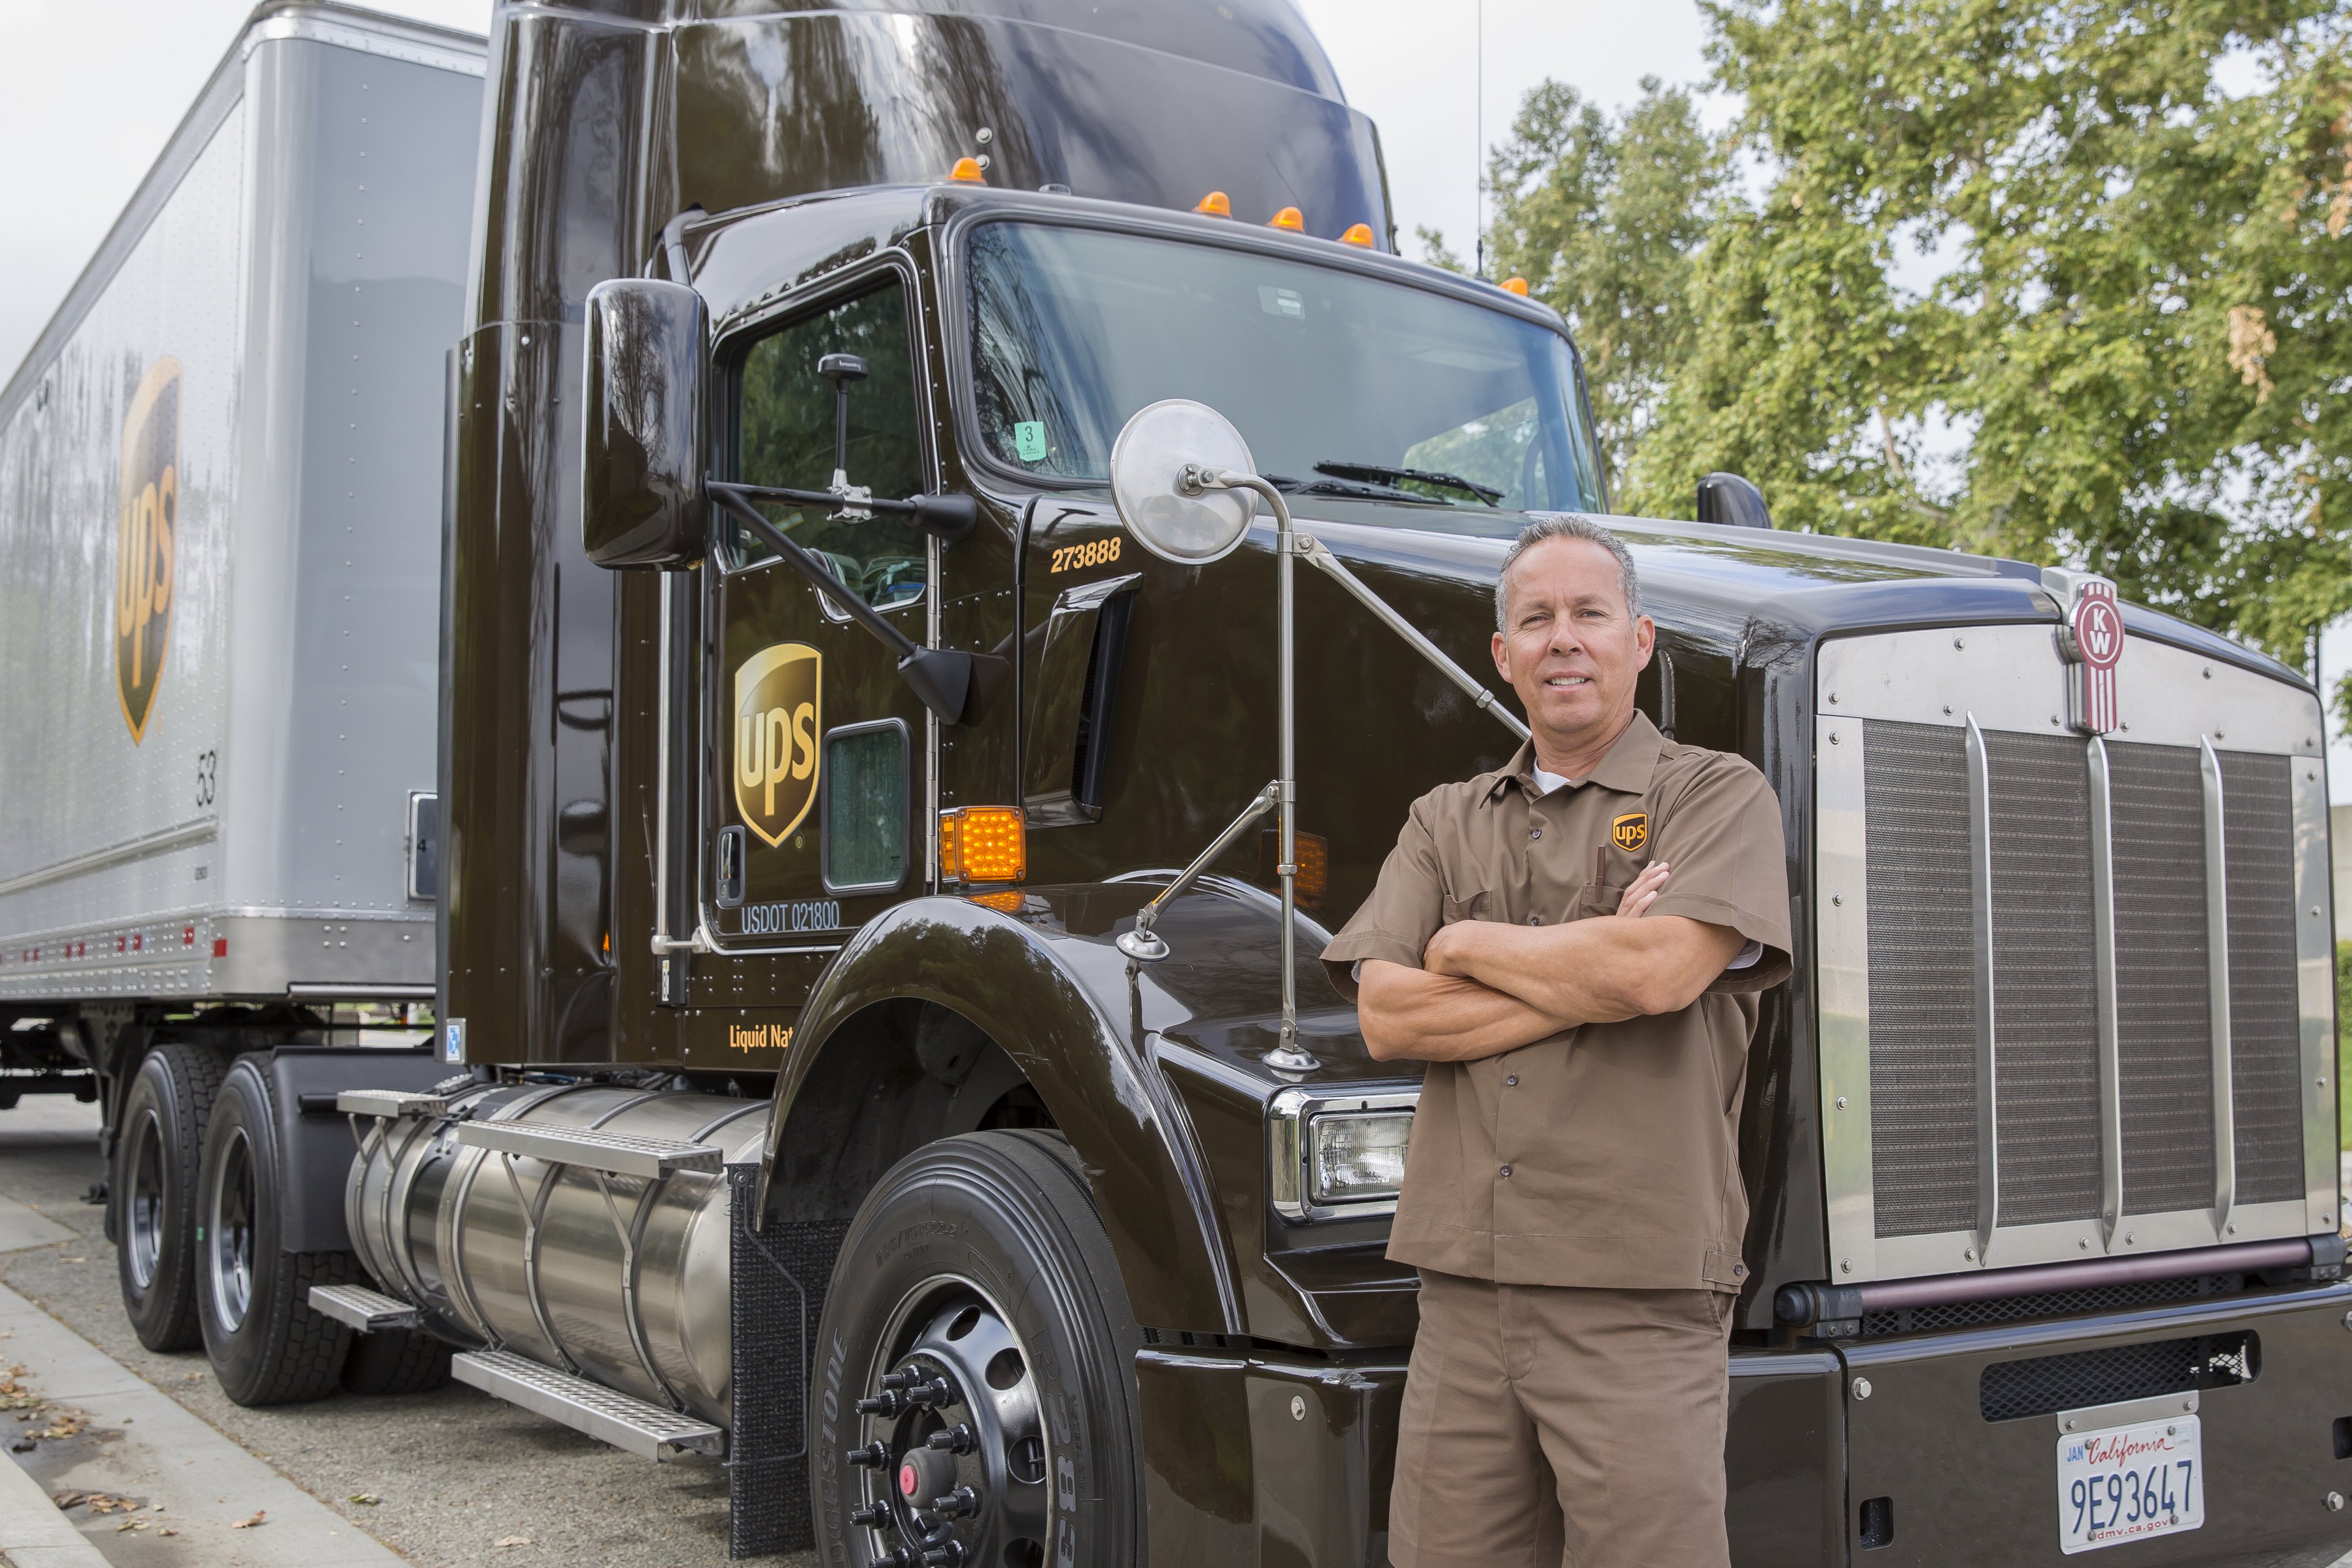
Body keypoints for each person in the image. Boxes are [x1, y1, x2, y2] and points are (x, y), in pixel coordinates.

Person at [1321, 514, 1791, 1568]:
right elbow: (1389, 1015)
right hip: (1464, 1290)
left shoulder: (1713, 795)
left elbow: (1661, 972)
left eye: (1591, 613)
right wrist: (1599, 968)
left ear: (1641, 638)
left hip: (1638, 1285)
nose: (1563, 638)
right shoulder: (1445, 819)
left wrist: (1463, 941)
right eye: (1536, 618)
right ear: (1504, 653)